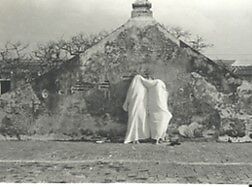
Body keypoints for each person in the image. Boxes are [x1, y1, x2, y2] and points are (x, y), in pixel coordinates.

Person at [140, 76, 172, 144]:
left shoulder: (155, 83)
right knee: (160, 121)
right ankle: (157, 137)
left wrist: (140, 78)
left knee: (158, 121)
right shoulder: (158, 83)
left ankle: (158, 137)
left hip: (156, 106)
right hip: (157, 106)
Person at [122, 75, 150, 144]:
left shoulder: (133, 88)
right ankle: (135, 138)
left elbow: (128, 97)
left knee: (135, 123)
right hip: (139, 109)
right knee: (137, 122)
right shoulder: (143, 88)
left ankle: (137, 138)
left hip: (135, 109)